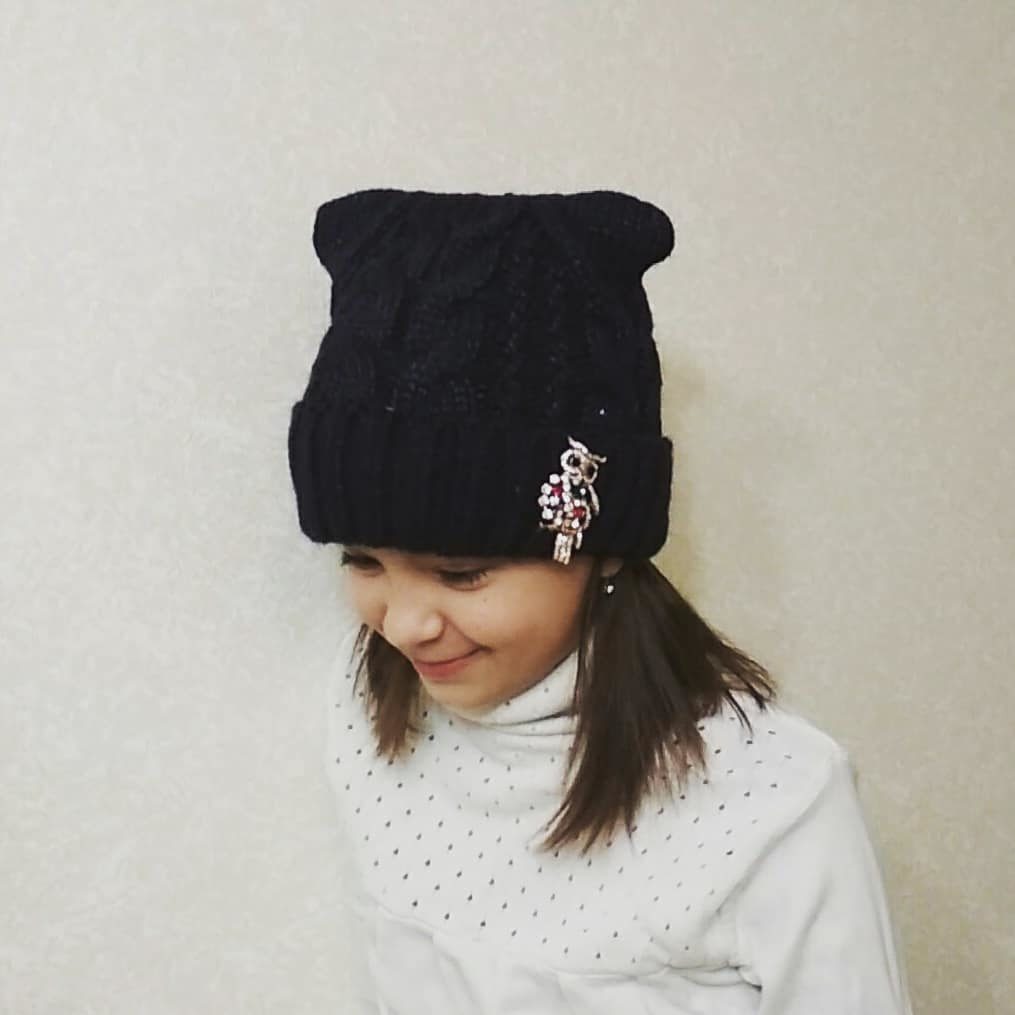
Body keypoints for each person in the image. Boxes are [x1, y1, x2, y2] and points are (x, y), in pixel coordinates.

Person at [287, 188, 914, 1013]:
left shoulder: (773, 794)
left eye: (461, 573)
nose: (403, 625)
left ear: (602, 544)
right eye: (362, 560)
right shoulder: (365, 704)